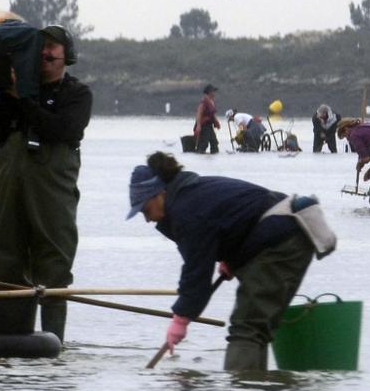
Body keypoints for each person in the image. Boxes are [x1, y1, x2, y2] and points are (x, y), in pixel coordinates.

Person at [127, 152, 327, 371]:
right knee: (254, 328)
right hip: (277, 236)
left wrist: (181, 318)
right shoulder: (188, 197)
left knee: (247, 328)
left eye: (145, 209)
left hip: (284, 239)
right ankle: (254, 390)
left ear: (160, 194)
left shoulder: (187, 211)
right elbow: (233, 223)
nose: (147, 219)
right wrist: (233, 259)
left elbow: (197, 271)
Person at [0, 25, 92, 342]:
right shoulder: (10, 92)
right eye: (40, 49)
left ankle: (51, 342)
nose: (44, 55)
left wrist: (23, 98)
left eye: (52, 49)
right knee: (7, 261)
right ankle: (11, 339)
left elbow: (61, 129)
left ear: (66, 57)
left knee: (55, 266)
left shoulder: (77, 94)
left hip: (53, 189)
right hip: (10, 188)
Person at [194, 84, 220, 154]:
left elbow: (212, 114)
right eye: (213, 91)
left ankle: (215, 156)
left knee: (214, 143)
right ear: (209, 92)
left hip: (209, 125)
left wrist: (216, 122)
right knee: (203, 143)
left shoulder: (211, 101)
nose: (214, 93)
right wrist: (198, 126)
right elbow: (199, 113)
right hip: (204, 125)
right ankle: (200, 156)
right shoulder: (204, 101)